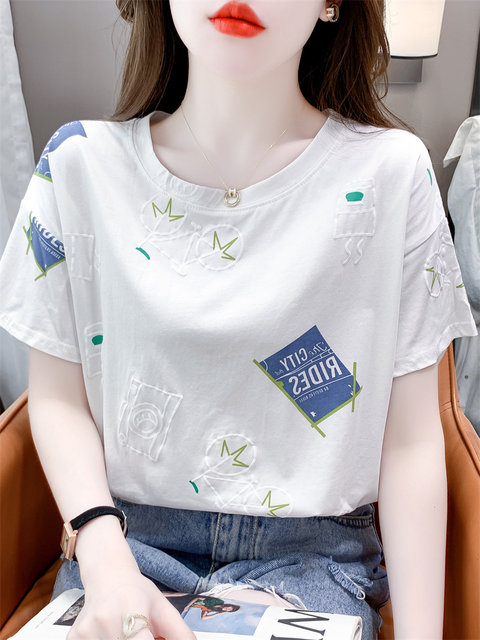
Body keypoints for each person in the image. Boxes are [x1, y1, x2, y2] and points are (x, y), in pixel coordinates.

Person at [0, 1, 477, 639]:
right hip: (122, 541)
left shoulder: (391, 174)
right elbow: (57, 401)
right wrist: (105, 559)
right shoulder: (79, 165)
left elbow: (412, 443)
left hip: (312, 559)